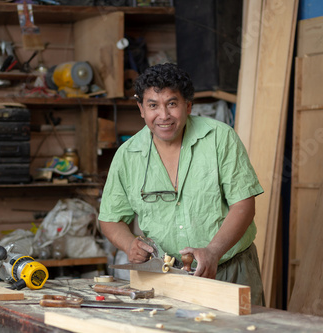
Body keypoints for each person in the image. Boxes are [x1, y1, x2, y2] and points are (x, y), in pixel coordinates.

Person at [98, 63, 265, 305]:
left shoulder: (220, 138)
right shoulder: (127, 155)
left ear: (188, 106)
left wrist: (213, 252)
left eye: (172, 104)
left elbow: (244, 205)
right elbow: (110, 218)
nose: (163, 115)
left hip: (230, 270)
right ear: (141, 109)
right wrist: (129, 244)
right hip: (167, 278)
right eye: (153, 105)